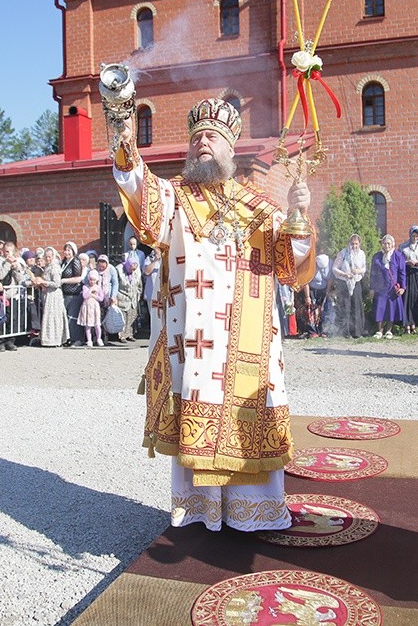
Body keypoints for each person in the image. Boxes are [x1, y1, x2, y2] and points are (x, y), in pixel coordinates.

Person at [113, 97, 315, 532]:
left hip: (249, 344)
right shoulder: (175, 198)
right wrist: (127, 145)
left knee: (251, 413)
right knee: (197, 412)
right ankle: (202, 513)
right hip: (196, 346)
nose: (203, 142)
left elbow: (291, 264)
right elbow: (140, 191)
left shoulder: (258, 207)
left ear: (230, 149)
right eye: (197, 137)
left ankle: (253, 515)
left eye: (212, 137)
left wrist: (299, 214)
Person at [370, 234, 406, 339]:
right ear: (382, 244)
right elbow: (373, 273)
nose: (386, 246)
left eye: (389, 243)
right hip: (380, 287)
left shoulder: (398, 256)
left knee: (391, 309)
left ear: (393, 244)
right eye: (385, 243)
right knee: (379, 308)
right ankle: (379, 331)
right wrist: (372, 288)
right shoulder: (377, 257)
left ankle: (389, 331)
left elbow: (402, 272)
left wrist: (403, 287)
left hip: (392, 288)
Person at [333, 234, 366, 338]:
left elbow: (364, 268)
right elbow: (335, 268)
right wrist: (344, 274)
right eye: (352, 244)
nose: (354, 246)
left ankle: (357, 332)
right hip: (344, 282)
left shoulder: (361, 254)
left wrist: (358, 271)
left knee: (356, 306)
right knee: (345, 307)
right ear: (349, 244)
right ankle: (345, 332)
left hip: (356, 282)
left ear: (359, 244)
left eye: (356, 244)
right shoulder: (343, 253)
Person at [39, 247, 69, 347]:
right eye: (46, 257)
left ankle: (55, 339)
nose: (48, 259)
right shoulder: (47, 267)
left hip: (54, 295)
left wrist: (44, 282)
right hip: (48, 294)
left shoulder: (55, 267)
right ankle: (48, 339)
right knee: (49, 317)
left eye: (49, 257)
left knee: (54, 316)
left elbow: (56, 283)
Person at [115, 259, 142, 342]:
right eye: (131, 269)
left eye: (134, 269)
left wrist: (138, 295)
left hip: (133, 299)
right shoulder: (119, 271)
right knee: (123, 318)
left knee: (131, 317)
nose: (132, 271)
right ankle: (122, 336)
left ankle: (130, 334)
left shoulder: (136, 273)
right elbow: (116, 284)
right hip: (122, 297)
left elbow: (139, 285)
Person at [78, 270, 105, 347]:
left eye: (94, 280)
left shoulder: (98, 288)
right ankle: (89, 340)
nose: (92, 281)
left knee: (97, 324)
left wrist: (93, 295)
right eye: (90, 279)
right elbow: (85, 296)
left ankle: (99, 338)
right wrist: (90, 290)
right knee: (88, 325)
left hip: (95, 307)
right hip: (87, 306)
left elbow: (101, 298)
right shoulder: (85, 287)